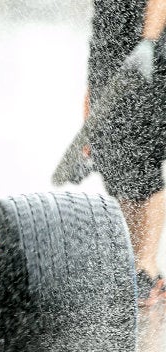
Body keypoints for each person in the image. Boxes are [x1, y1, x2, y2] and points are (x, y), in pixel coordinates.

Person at [87, 0, 166, 305]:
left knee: (143, 160)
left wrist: (148, 41)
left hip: (147, 54)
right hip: (109, 55)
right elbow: (102, 20)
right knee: (118, 164)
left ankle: (145, 268)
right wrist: (92, 90)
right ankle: (135, 264)